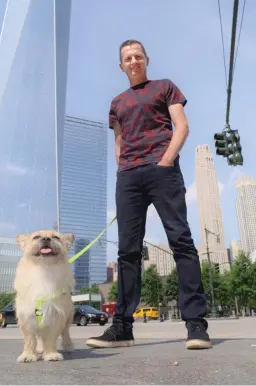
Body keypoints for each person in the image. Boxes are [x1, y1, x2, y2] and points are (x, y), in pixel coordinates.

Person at [86, 39, 211, 350]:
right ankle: (122, 328)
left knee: (180, 241)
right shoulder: (116, 102)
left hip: (162, 170)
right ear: (121, 65)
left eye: (138, 56)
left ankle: (196, 326)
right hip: (128, 177)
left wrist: (166, 160)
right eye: (127, 58)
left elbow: (181, 126)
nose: (133, 61)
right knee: (127, 252)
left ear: (146, 59)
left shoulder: (165, 87)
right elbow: (118, 141)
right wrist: (124, 168)